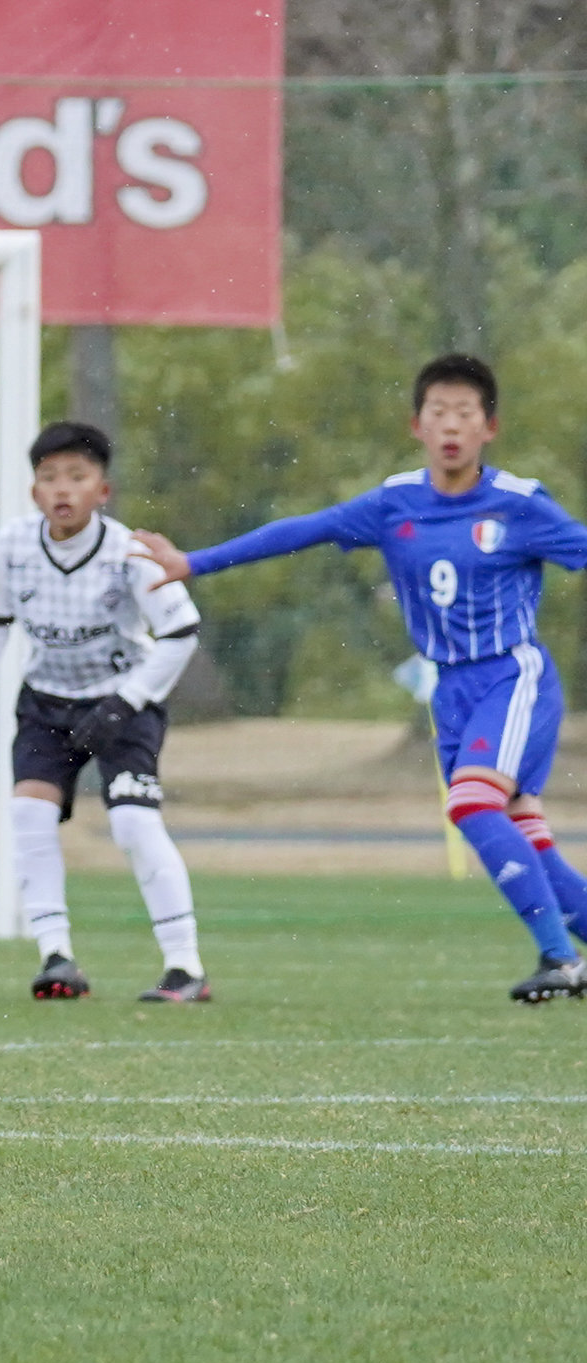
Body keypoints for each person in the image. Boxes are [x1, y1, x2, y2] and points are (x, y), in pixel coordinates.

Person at [136, 352, 587, 1003]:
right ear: (417, 425)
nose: (452, 424)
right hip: (450, 690)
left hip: (513, 677)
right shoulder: (394, 503)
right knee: (521, 830)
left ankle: (559, 959)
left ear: (490, 427)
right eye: (439, 412)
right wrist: (195, 563)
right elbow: (304, 530)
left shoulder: (520, 504)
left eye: (466, 412)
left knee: (470, 803)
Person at [0, 422, 207, 1002]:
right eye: (49, 477)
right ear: (34, 490)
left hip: (124, 703)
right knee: (29, 818)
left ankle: (185, 967)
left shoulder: (129, 554)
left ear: (102, 491)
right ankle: (57, 959)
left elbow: (181, 632)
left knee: (134, 823)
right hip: (45, 705)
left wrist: (125, 702)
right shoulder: (9, 547)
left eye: (77, 477)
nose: (63, 489)